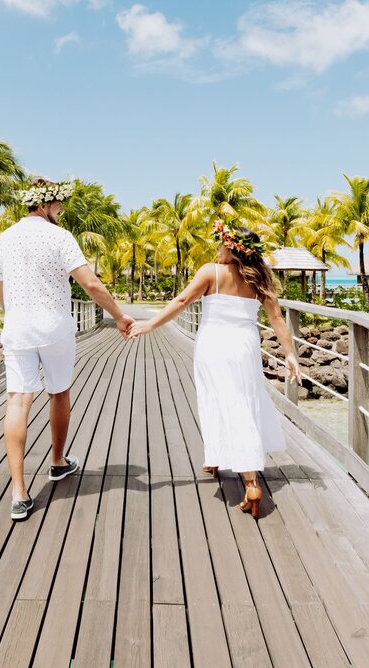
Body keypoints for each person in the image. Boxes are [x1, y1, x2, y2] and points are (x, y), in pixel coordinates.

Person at [128, 221, 299, 517]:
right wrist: (291, 354)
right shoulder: (259, 277)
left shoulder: (211, 272)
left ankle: (251, 482)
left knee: (217, 401)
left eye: (221, 244)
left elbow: (182, 300)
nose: (217, 248)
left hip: (214, 345)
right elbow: (277, 319)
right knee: (242, 401)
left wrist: (149, 324)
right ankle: (217, 458)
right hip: (244, 347)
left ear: (233, 249)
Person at [0, 178, 135, 521]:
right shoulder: (60, 237)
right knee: (59, 392)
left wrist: (17, 316)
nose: (62, 209)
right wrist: (119, 316)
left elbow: (0, 290)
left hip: (18, 329)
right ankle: (57, 462)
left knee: (18, 400)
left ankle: (19, 493)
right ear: (43, 205)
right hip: (54, 328)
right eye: (58, 204)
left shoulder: (4, 238)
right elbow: (90, 283)